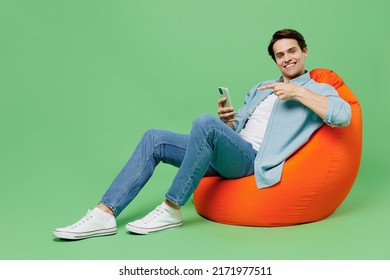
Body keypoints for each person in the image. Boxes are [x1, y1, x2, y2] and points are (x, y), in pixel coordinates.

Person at [53, 29, 351, 240]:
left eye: (292, 51)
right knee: (154, 137)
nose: (287, 59)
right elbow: (241, 131)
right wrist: (230, 123)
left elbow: (343, 115)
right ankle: (104, 214)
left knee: (204, 122)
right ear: (274, 61)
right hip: (234, 148)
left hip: (254, 161)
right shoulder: (262, 89)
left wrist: (297, 91)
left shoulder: (317, 89)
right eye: (280, 55)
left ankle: (171, 208)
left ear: (304, 51)